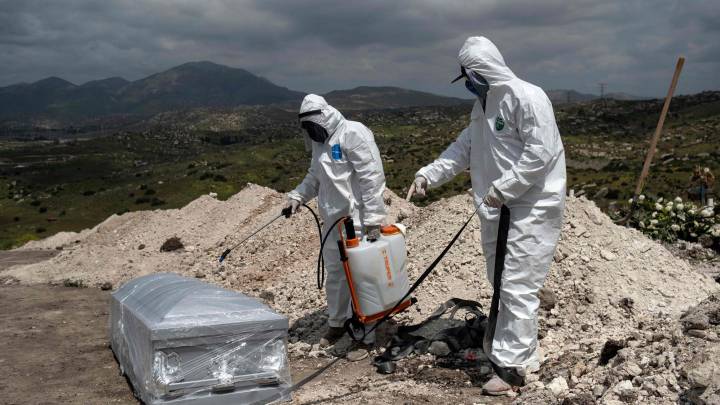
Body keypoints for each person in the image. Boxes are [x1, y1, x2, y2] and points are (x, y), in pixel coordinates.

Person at [407, 36, 566, 395]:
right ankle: (514, 350)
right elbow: (462, 149)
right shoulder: (482, 107)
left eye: (470, 77)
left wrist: (504, 187)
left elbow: (540, 154)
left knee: (518, 286)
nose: (468, 84)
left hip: (530, 209)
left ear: (482, 71)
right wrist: (428, 175)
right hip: (496, 209)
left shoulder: (527, 97)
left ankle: (515, 367)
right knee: (501, 283)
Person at [284, 94, 387, 361]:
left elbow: (371, 176)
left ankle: (367, 332)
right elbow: (314, 177)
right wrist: (297, 196)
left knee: (362, 277)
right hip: (332, 223)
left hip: (359, 222)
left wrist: (374, 218)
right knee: (336, 275)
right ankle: (338, 322)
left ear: (324, 117)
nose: (312, 132)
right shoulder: (320, 145)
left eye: (313, 126)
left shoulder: (353, 133)